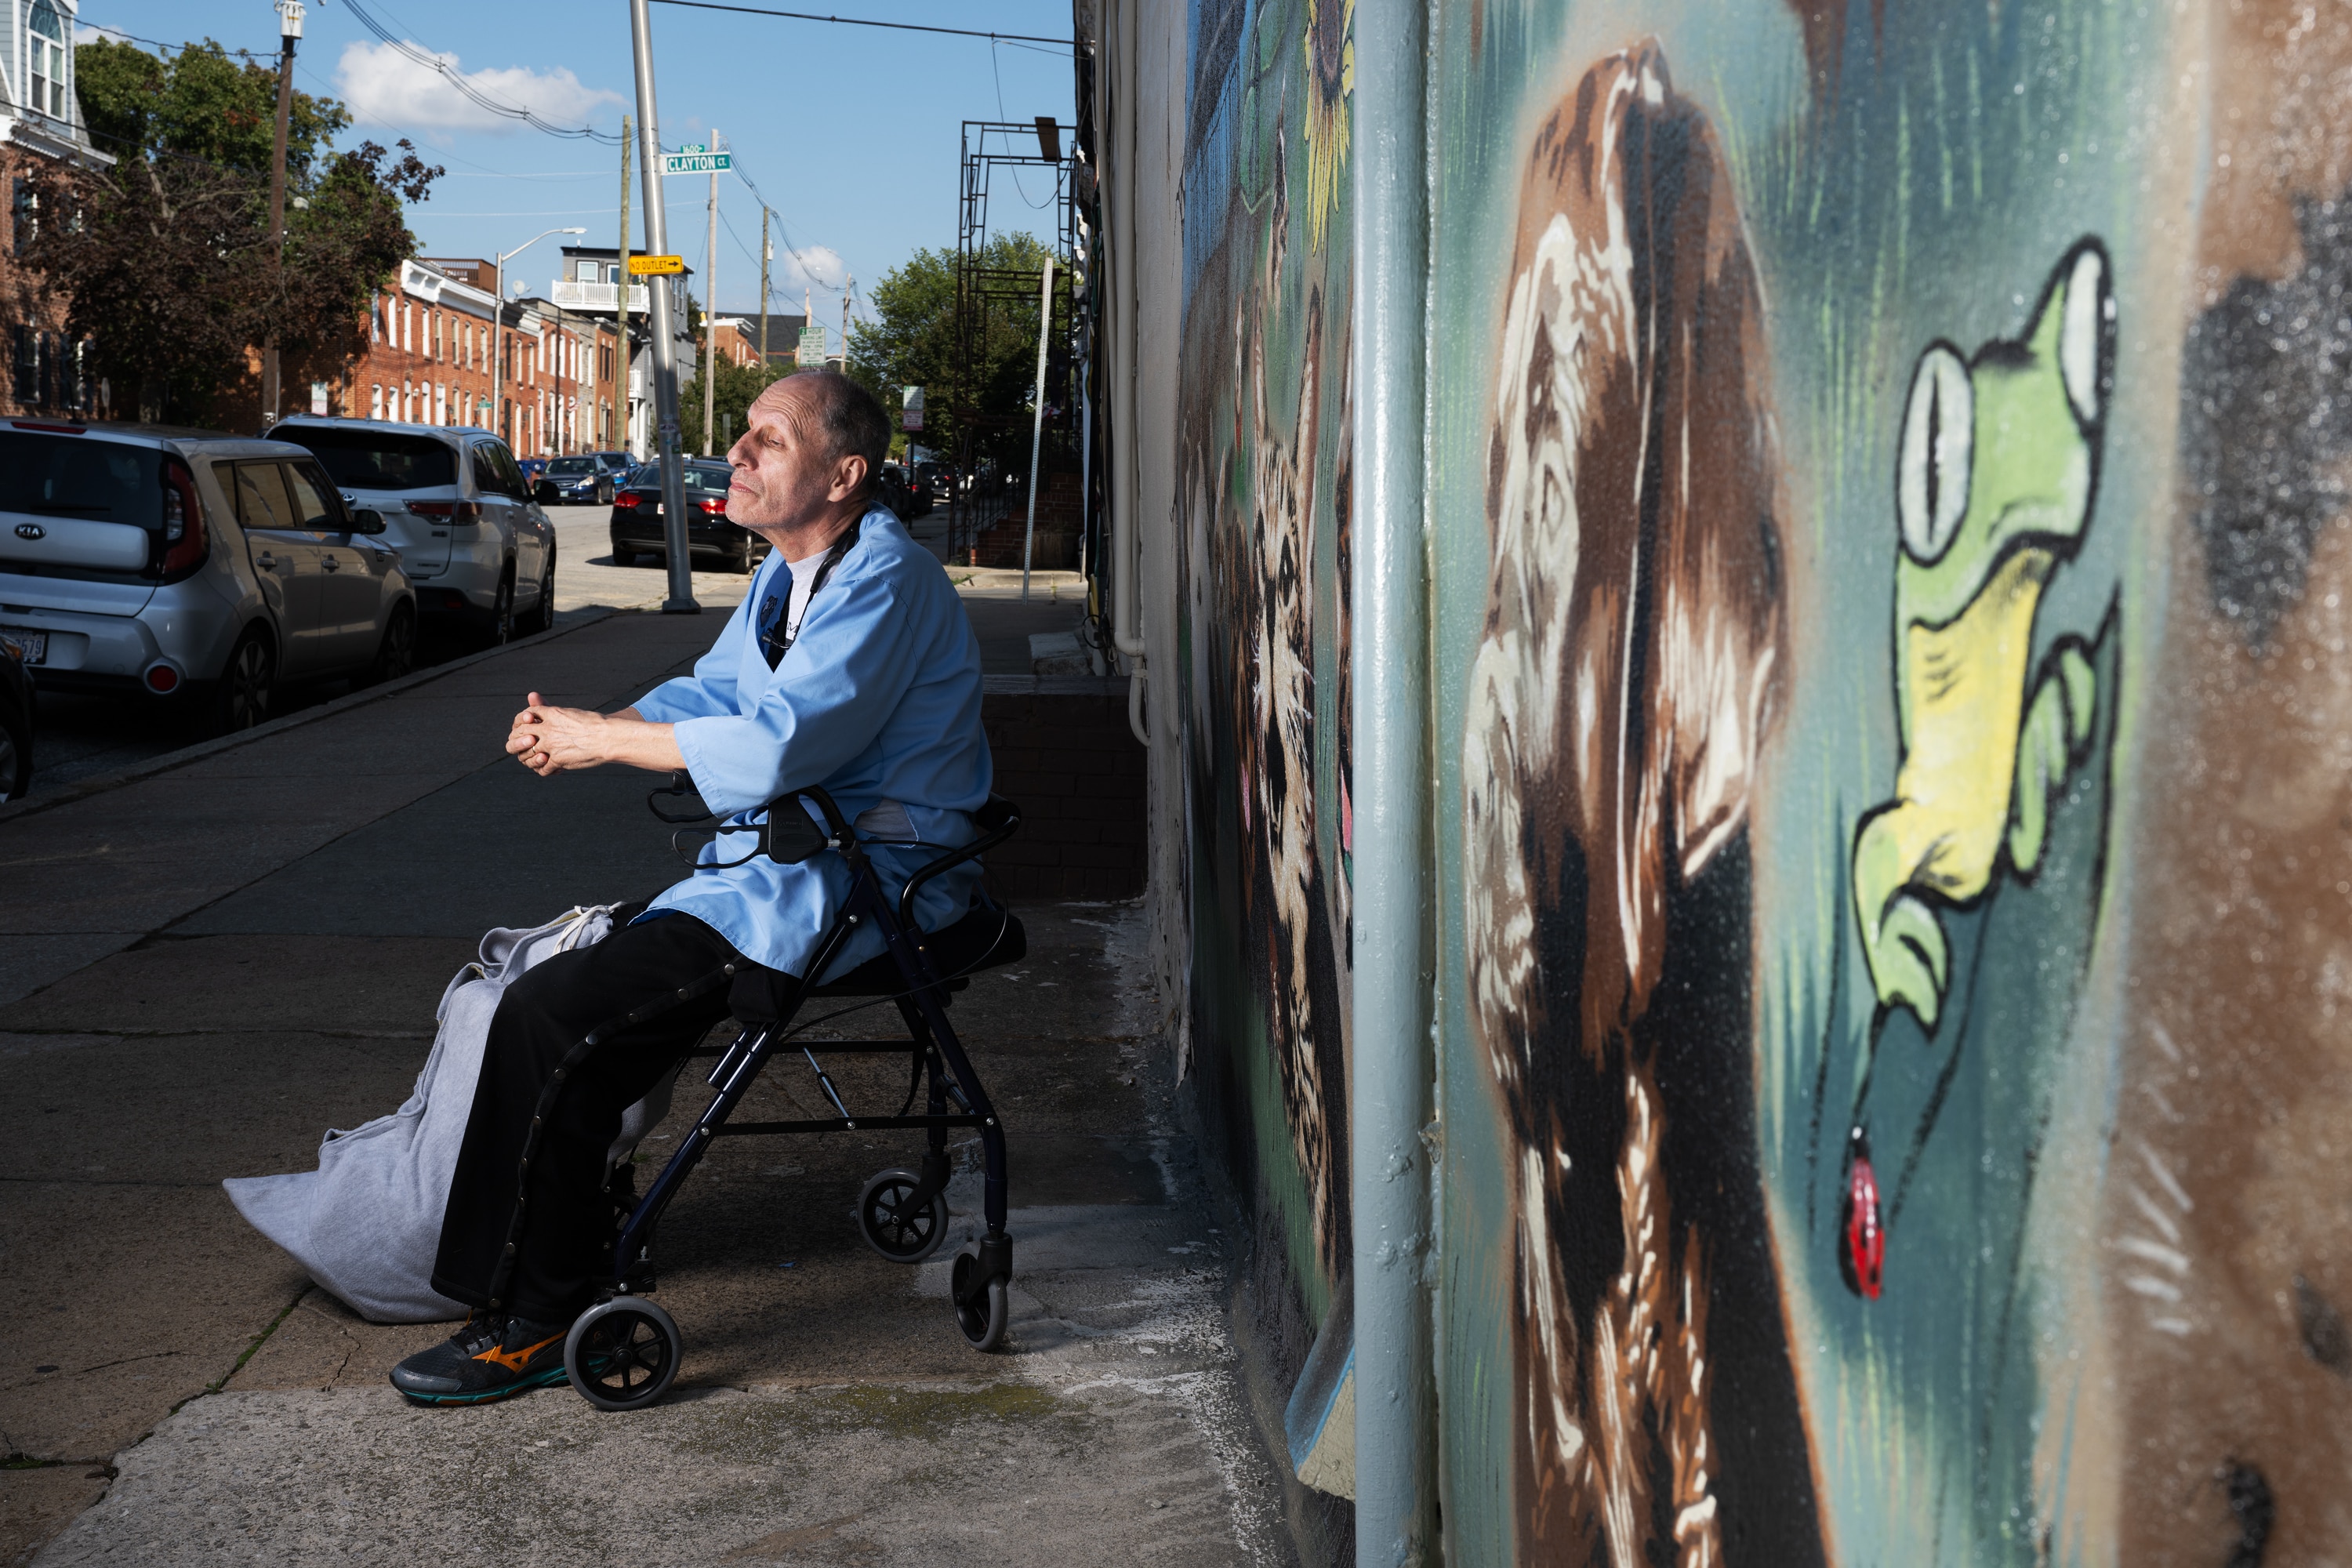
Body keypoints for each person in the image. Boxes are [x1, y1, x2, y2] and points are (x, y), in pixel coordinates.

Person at [390, 372, 989, 1405]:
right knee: (567, 998)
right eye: (741, 434)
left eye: (768, 438)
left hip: (870, 888)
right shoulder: (786, 575)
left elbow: (777, 746)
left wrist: (605, 742)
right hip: (782, 873)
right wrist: (588, 721)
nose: (739, 455)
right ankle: (562, 1244)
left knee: (547, 1015)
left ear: (844, 475)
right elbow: (714, 690)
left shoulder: (885, 583)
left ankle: (532, 1318)